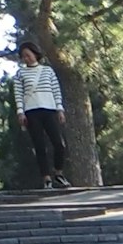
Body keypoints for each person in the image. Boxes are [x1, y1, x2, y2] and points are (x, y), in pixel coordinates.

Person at [14, 37, 71, 189]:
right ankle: (46, 177)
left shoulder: (47, 70)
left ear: (35, 54)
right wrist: (20, 112)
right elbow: (18, 94)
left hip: (49, 108)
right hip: (32, 111)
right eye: (23, 56)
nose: (26, 58)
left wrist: (60, 108)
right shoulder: (20, 74)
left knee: (59, 144)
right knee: (39, 145)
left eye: (28, 54)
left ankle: (58, 172)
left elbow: (56, 89)